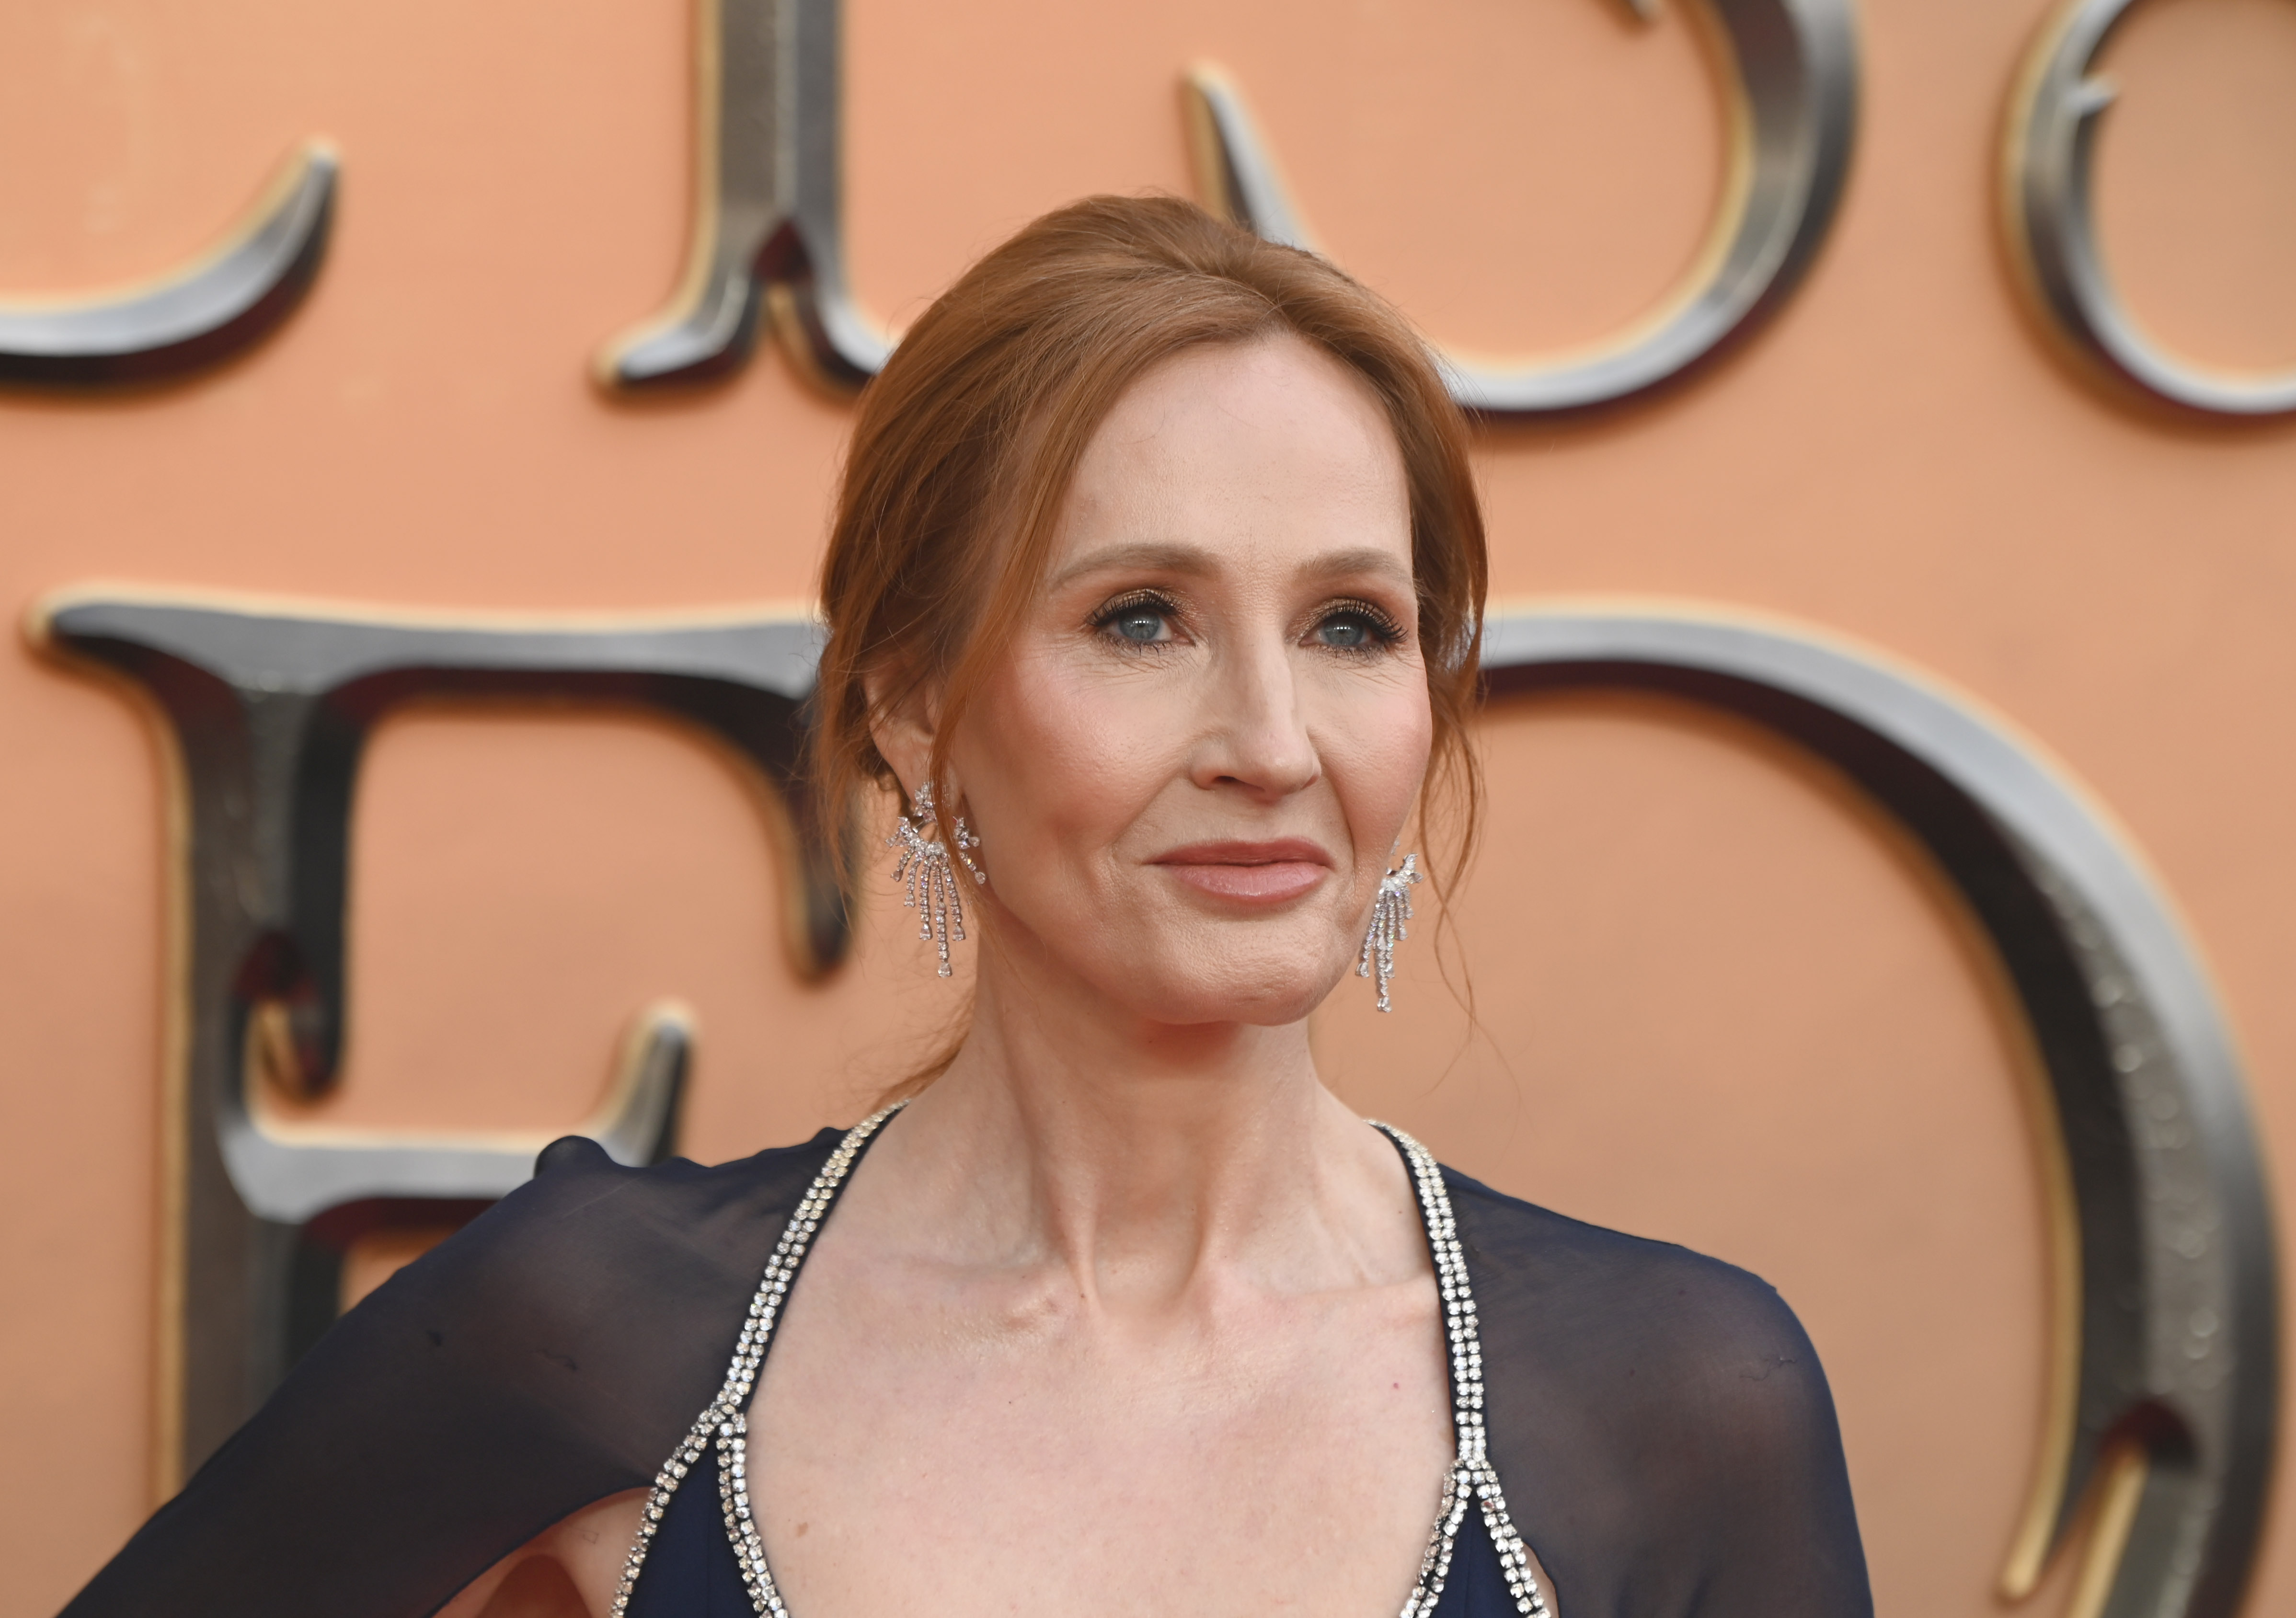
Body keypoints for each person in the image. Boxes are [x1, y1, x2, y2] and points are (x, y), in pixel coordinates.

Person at [62, 196, 1870, 1618]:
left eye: (1350, 625)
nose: (1270, 739)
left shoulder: (1671, 1401)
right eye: (1140, 617)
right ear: (915, 707)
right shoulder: (593, 1334)